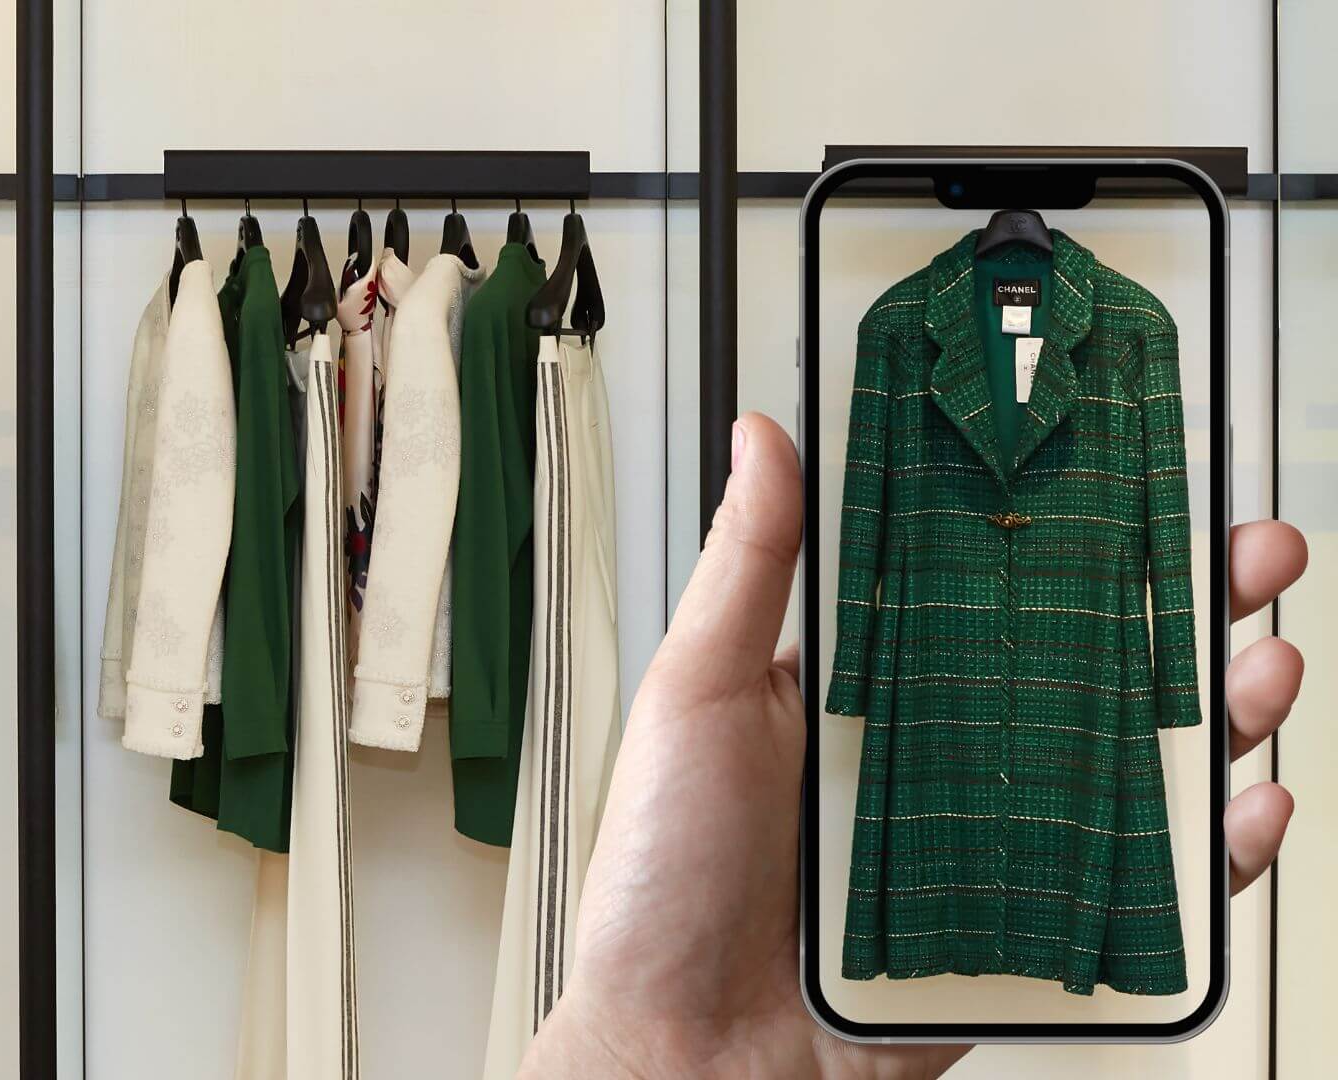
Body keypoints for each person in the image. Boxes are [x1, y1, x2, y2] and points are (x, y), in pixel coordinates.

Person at [517, 414, 1308, 1079]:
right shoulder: (899, 324)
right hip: (932, 676)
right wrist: (853, 681)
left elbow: (1164, 518)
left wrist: (1173, 687)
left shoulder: (1135, 324)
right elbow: (866, 516)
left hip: (1087, 671)